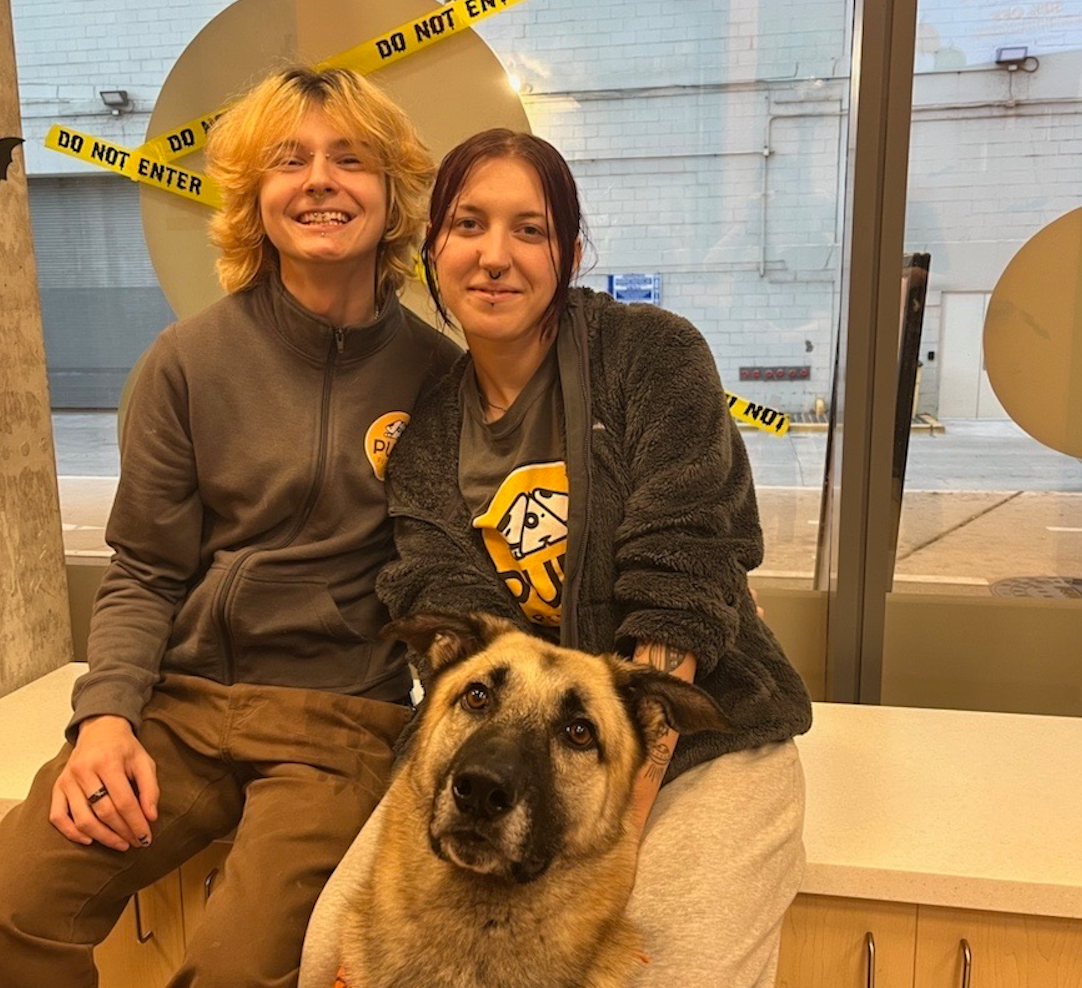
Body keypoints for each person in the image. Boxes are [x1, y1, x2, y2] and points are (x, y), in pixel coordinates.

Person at [300, 129, 812, 988]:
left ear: (569, 252)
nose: (495, 257)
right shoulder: (427, 436)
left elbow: (682, 579)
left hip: (694, 730)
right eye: (468, 225)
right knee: (332, 959)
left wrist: (613, 834)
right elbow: (447, 610)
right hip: (512, 731)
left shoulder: (651, 356)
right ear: (435, 248)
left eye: (529, 231)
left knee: (670, 970)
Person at [0, 66, 459, 988]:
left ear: (393, 194)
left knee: (239, 967)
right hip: (183, 703)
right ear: (255, 199)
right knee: (13, 901)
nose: (321, 179)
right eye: (289, 160)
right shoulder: (187, 360)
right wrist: (105, 720)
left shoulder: (439, 375)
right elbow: (144, 569)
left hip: (341, 724)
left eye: (351, 159)